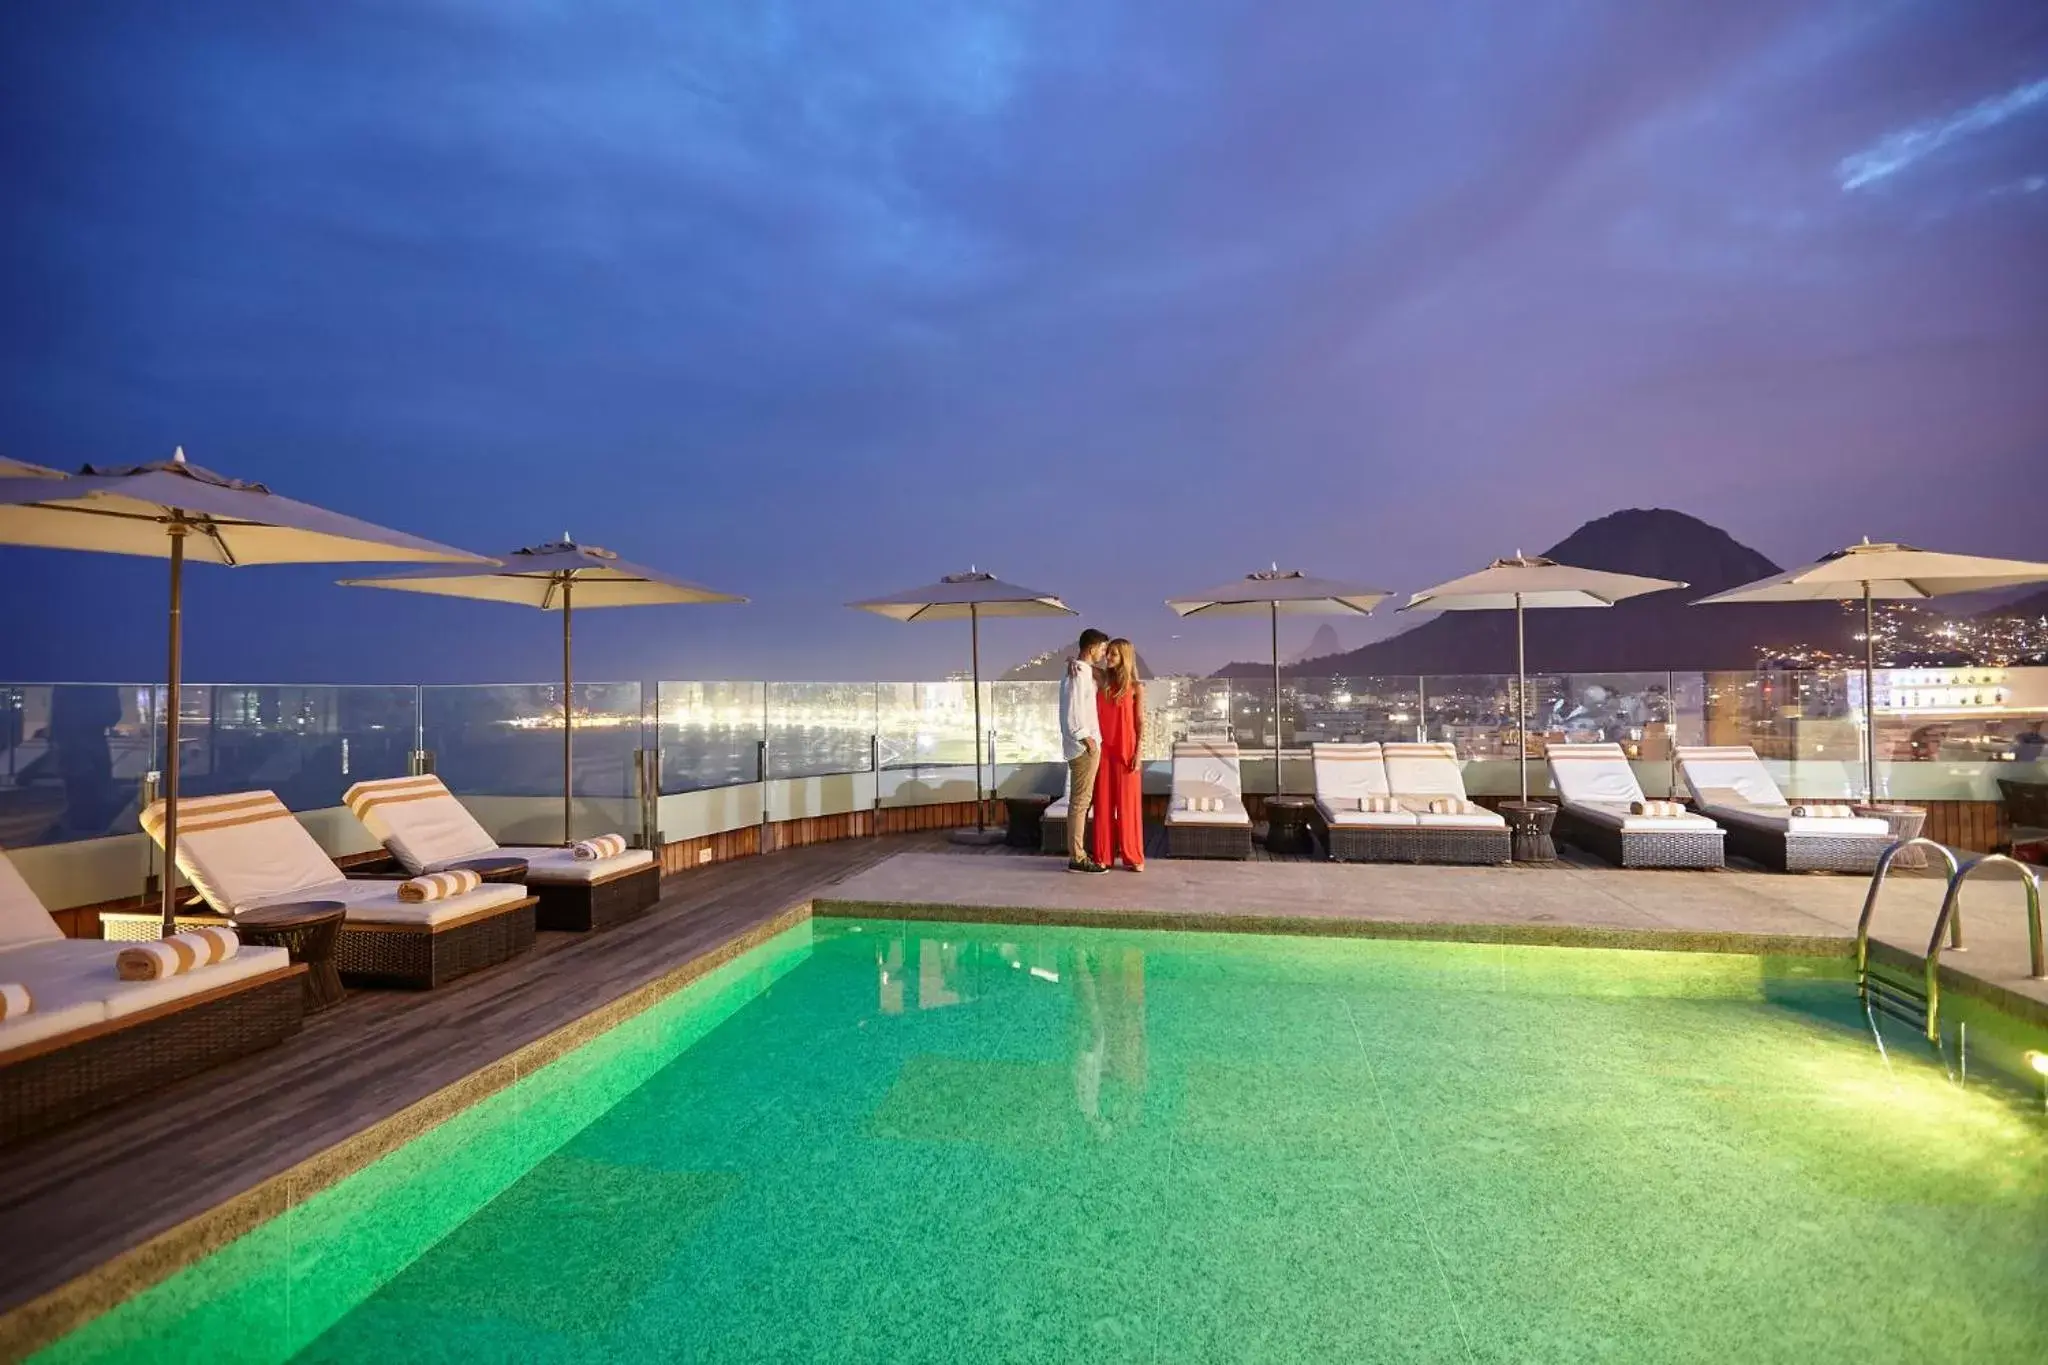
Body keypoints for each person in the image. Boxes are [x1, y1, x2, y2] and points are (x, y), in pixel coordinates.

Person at [1092, 638, 1145, 871]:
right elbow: (1083, 665)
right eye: (1108, 653)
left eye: (1114, 654)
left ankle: (1133, 856)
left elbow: (1140, 721)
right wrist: (1072, 663)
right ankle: (1103, 856)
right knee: (1103, 805)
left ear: (1125, 657)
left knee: (1128, 806)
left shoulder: (1136, 687)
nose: (1108, 657)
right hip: (1103, 751)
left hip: (1126, 751)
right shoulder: (1102, 680)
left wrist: (1139, 752)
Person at [1060, 628, 1111, 873]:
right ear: (1092, 648)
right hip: (1083, 747)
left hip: (1087, 744)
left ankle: (1078, 854)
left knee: (1082, 802)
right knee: (1080, 803)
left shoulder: (1083, 671)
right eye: (1102, 648)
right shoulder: (1078, 674)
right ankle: (1077, 858)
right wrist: (1086, 738)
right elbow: (1071, 711)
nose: (1105, 652)